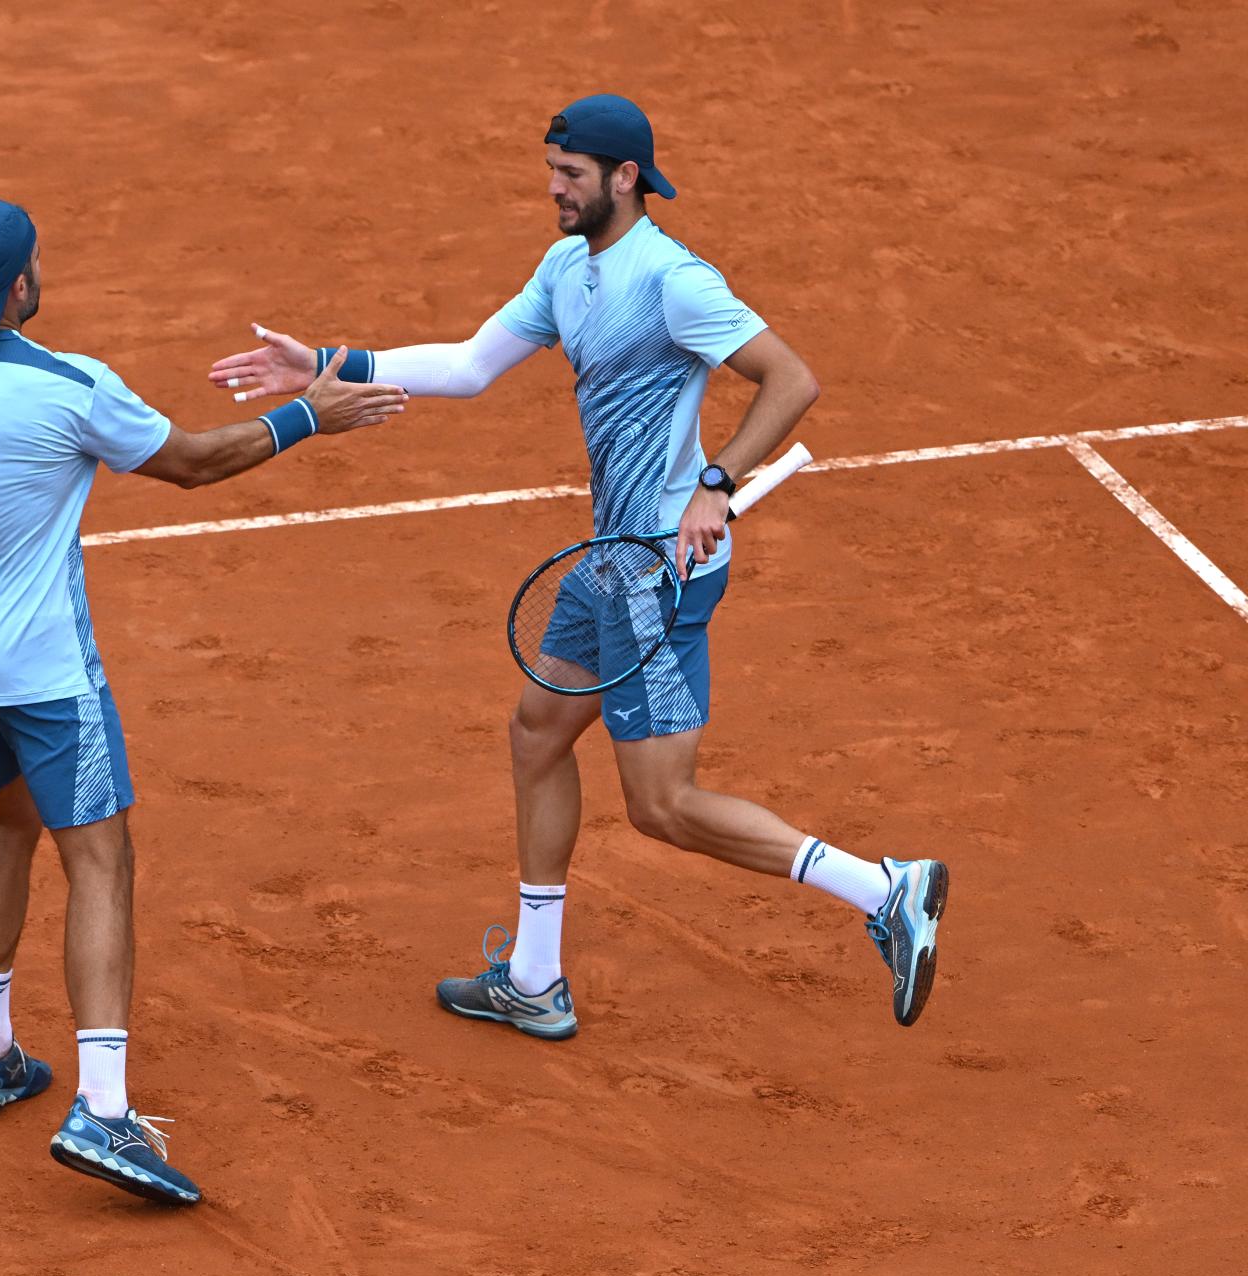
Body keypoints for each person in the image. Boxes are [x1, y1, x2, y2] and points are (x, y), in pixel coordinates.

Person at [207, 94, 949, 1031]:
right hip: (609, 560)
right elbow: (472, 366)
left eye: (570, 175)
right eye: (551, 171)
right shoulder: (568, 267)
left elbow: (792, 378)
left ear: (624, 177)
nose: (553, 189)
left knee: (663, 806)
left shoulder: (675, 280)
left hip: (658, 577)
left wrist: (715, 482)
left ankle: (885, 889)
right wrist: (325, 361)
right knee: (537, 734)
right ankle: (534, 977)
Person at [0, 199, 407, 1205]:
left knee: (7, 823)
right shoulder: (74, 388)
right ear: (23, 288)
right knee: (101, 856)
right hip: (43, 676)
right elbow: (196, 462)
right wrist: (313, 413)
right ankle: (107, 1109)